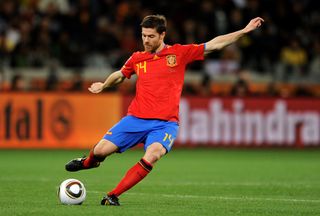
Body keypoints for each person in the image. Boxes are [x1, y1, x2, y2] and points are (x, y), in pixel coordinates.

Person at [65, 14, 264, 206]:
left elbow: (214, 44)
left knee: (152, 154)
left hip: (165, 124)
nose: (146, 40)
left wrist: (245, 31)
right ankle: (89, 162)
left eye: (151, 36)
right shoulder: (137, 58)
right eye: (143, 35)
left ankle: (113, 195)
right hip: (135, 118)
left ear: (162, 35)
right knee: (100, 151)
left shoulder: (178, 53)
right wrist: (104, 85)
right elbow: (120, 74)